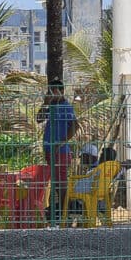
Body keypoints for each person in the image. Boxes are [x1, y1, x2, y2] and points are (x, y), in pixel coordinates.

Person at [38, 83, 76, 223]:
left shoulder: (66, 106)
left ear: (61, 91)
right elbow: (39, 119)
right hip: (49, 150)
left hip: (60, 152)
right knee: (55, 182)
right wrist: (45, 103)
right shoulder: (51, 106)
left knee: (61, 182)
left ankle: (65, 212)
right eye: (50, 91)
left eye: (53, 91)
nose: (51, 94)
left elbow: (74, 125)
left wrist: (62, 142)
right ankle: (58, 211)